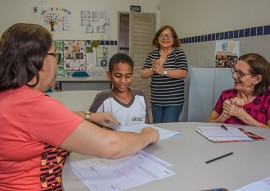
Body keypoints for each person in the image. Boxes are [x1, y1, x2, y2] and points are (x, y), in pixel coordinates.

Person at [0, 23, 159, 191]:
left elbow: (45, 121)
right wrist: (147, 135)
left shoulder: (11, 97)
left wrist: (89, 116)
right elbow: (112, 146)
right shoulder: (33, 106)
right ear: (42, 62)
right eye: (56, 56)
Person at [140, 25, 188, 123]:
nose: (165, 38)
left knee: (168, 128)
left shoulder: (178, 53)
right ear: (157, 38)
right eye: (162, 35)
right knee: (157, 128)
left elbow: (183, 73)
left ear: (174, 39)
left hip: (174, 101)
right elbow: (142, 74)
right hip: (156, 100)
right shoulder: (152, 54)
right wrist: (154, 70)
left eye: (169, 36)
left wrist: (164, 71)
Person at [207, 53, 270, 128]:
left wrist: (241, 114)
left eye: (240, 73)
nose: (233, 76)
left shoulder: (267, 98)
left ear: (257, 79)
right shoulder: (226, 95)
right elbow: (208, 124)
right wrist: (223, 117)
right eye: (235, 71)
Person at [89, 53, 150, 126]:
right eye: (118, 76)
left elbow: (147, 124)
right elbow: (91, 126)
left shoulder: (140, 96)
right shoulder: (102, 98)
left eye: (128, 76)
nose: (123, 81)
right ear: (109, 75)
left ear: (132, 76)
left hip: (138, 137)